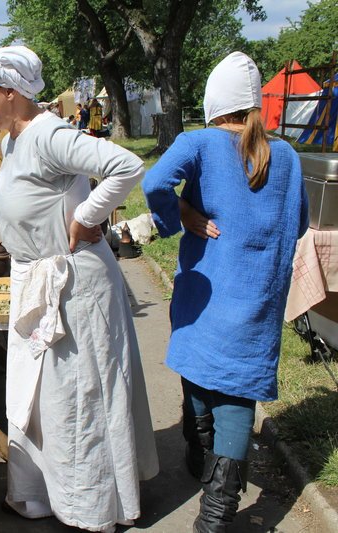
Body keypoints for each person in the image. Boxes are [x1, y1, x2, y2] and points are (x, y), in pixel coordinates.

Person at [0, 46, 158, 531]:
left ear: (11, 94)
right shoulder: (15, 138)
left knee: (78, 395)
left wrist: (87, 217)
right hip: (41, 278)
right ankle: (44, 492)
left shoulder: (49, 133)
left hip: (74, 285)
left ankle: (91, 505)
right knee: (43, 397)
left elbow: (126, 166)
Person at [142, 51, 309, 533]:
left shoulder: (199, 142)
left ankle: (203, 467)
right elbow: (296, 225)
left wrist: (180, 217)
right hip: (257, 294)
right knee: (237, 395)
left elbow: (154, 181)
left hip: (204, 290)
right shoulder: (288, 156)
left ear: (213, 104)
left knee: (198, 367)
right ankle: (216, 511)